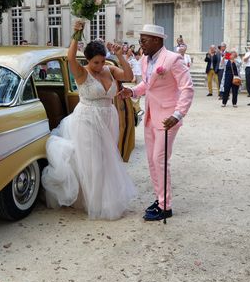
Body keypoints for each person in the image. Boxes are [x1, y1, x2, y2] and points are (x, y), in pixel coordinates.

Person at [41, 21, 136, 220]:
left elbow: (128, 76)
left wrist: (120, 55)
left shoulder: (109, 70)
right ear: (88, 60)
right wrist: (76, 33)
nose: (100, 66)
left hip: (108, 117)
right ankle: (93, 202)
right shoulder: (81, 72)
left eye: (102, 61)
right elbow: (69, 57)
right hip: (87, 119)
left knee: (107, 157)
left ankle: (106, 198)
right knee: (93, 162)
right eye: (96, 62)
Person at [119, 24, 194, 221]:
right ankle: (159, 198)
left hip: (168, 118)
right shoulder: (145, 60)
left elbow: (187, 88)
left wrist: (178, 114)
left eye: (144, 40)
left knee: (160, 160)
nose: (140, 44)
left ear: (157, 40)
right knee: (152, 160)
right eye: (140, 40)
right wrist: (133, 91)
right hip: (151, 115)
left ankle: (165, 206)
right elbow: (147, 84)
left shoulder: (173, 59)